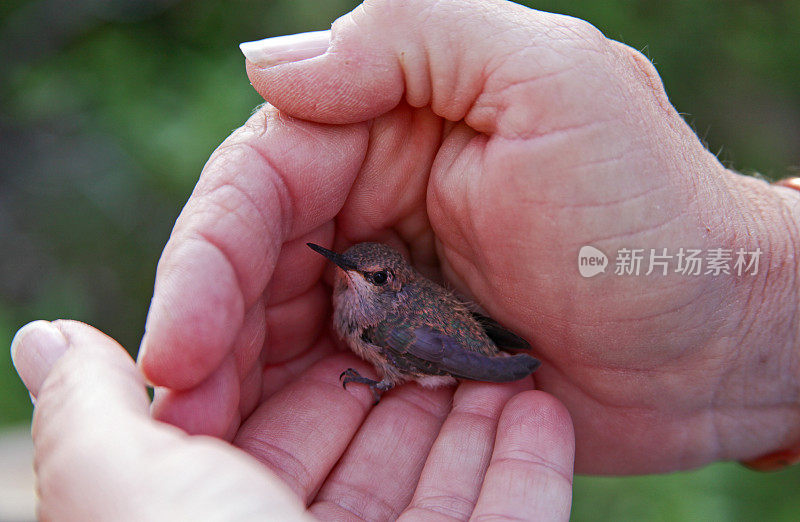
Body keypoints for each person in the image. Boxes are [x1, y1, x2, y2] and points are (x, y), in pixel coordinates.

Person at [11, 0, 800, 519]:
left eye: (370, 274)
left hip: (430, 358)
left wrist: (754, 301)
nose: (349, 276)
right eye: (350, 268)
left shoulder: (389, 325)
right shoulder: (369, 300)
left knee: (423, 362)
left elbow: (433, 350)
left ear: (392, 284)